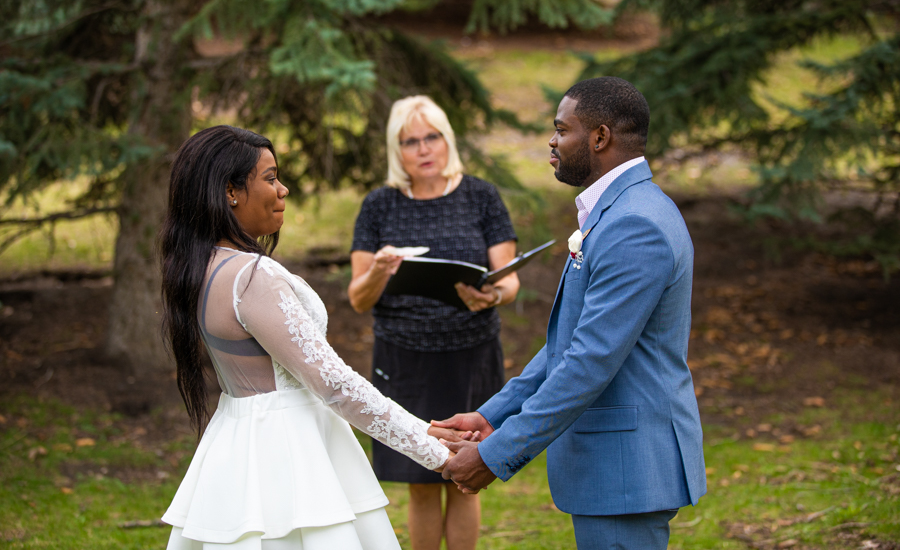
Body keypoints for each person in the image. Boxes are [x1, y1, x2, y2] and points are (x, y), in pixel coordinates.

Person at [158, 125, 463, 550]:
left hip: (238, 445)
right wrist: (434, 449)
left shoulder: (200, 267)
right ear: (230, 191)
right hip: (289, 454)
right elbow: (334, 384)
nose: (283, 190)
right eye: (269, 178)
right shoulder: (251, 278)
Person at [436, 77, 707, 550]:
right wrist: (493, 414)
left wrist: (496, 454)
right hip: (616, 468)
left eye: (562, 129)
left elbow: (589, 362)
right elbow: (569, 343)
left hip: (628, 468)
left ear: (599, 137)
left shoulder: (633, 225)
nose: (552, 141)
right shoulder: (620, 211)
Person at [348, 96, 520, 550]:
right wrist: (380, 271)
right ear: (396, 149)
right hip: (405, 361)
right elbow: (358, 298)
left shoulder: (480, 195)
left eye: (432, 137)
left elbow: (509, 280)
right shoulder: (379, 206)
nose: (423, 149)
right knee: (420, 480)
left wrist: (493, 295)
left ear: (448, 141)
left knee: (466, 477)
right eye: (410, 141)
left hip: (471, 353)